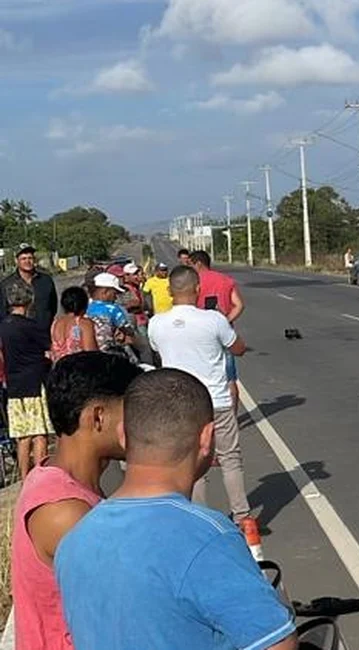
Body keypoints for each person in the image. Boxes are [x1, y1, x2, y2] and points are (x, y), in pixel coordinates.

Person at [55, 369, 296, 650]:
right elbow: (276, 643)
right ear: (207, 438)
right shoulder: (208, 538)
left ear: (123, 435)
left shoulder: (75, 539)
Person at [11, 352, 142, 650]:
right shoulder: (67, 512)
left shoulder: (57, 479)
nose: (142, 424)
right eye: (133, 412)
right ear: (98, 417)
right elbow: (127, 613)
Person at [148, 265, 251, 525]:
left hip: (180, 404)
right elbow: (238, 348)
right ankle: (242, 515)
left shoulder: (156, 324)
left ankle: (202, 518)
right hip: (217, 399)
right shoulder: (213, 320)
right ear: (198, 289)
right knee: (230, 458)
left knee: (192, 463)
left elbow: (157, 352)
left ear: (170, 291)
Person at [1, 282, 54, 479]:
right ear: (29, 300)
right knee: (40, 433)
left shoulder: (3, 327)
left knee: (23, 436)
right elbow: (49, 349)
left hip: (14, 386)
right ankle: (40, 476)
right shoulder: (32, 326)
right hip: (34, 382)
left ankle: (24, 478)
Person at [190, 250, 245, 410]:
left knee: (201, 378)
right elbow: (239, 305)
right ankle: (232, 417)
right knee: (230, 379)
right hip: (224, 334)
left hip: (199, 334)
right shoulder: (226, 280)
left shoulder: (194, 282)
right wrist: (225, 321)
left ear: (198, 263)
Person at [1, 243, 58, 332]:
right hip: (19, 335)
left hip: (43, 335)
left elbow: (53, 306)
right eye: (23, 258)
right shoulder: (6, 284)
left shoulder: (46, 280)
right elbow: (2, 312)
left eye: (30, 258)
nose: (27, 261)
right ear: (16, 261)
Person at [85, 273, 135, 358]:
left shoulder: (85, 307)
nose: (115, 298)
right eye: (114, 293)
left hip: (90, 352)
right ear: (105, 292)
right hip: (109, 353)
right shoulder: (113, 309)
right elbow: (128, 330)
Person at [50, 287, 97, 362]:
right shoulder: (83, 323)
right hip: (77, 368)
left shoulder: (55, 323)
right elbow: (90, 352)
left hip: (59, 368)